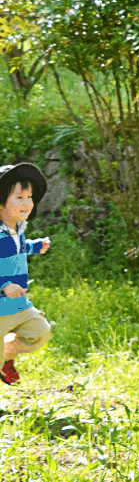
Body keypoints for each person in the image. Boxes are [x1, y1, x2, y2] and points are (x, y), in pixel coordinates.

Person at [0, 163, 52, 385]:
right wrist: (4, 285)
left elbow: (18, 249)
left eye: (29, 197)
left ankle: (8, 352)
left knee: (41, 332)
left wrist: (35, 246)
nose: (27, 203)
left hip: (18, 304)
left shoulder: (17, 230)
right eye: (19, 197)